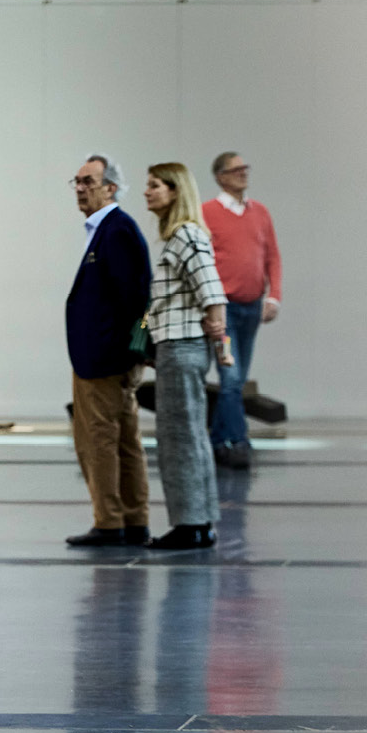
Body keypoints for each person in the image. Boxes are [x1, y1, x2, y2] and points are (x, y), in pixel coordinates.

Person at [64, 156, 152, 548]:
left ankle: (109, 521)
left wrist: (118, 353)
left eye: (89, 181)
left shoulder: (116, 230)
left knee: (98, 441)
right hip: (107, 358)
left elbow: (133, 298)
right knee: (124, 440)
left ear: (111, 188)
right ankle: (133, 519)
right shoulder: (109, 229)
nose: (81, 188)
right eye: (77, 181)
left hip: (103, 361)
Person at [144, 162, 228, 551]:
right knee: (189, 435)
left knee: (179, 438)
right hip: (178, 346)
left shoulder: (186, 236)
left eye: (155, 185)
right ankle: (199, 522)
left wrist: (220, 338)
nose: (147, 192)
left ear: (176, 191)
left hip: (181, 348)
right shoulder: (183, 236)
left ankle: (190, 524)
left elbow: (212, 292)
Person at [202, 153, 283, 469]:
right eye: (235, 169)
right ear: (220, 176)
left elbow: (272, 257)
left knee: (236, 380)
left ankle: (216, 442)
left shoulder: (259, 212)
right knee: (232, 377)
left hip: (251, 310)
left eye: (244, 168)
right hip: (223, 313)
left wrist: (273, 296)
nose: (242, 173)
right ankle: (238, 442)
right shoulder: (207, 213)